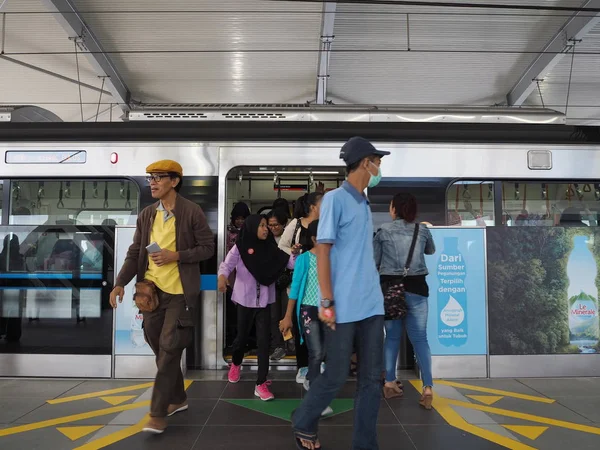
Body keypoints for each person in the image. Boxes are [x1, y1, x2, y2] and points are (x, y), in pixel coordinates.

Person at [292, 136, 390, 450]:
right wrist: (326, 300)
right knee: (335, 375)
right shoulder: (335, 198)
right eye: (378, 161)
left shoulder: (364, 201)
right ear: (366, 162)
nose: (379, 167)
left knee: (371, 379)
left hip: (371, 304)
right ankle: (304, 420)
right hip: (344, 305)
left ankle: (366, 443)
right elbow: (322, 251)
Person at [109, 160, 215, 434]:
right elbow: (135, 252)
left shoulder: (191, 212)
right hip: (151, 295)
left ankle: (157, 413)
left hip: (180, 294)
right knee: (159, 349)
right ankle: (178, 399)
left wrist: (175, 256)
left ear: (174, 181)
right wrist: (120, 282)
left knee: (169, 349)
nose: (152, 183)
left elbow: (207, 248)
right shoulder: (147, 215)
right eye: (150, 178)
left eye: (158, 178)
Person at [218, 214, 298, 401]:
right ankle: (236, 363)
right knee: (241, 338)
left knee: (264, 343)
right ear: (252, 227)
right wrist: (222, 277)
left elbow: (290, 262)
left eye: (266, 226)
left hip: (264, 301)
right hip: (244, 300)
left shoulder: (272, 248)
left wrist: (295, 252)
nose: (265, 229)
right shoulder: (241, 247)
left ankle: (261, 383)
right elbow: (226, 265)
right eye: (261, 226)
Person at [374, 193, 436, 408]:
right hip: (417, 289)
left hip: (392, 289)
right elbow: (431, 250)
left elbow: (375, 261)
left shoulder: (383, 231)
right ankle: (427, 387)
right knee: (420, 339)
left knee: (391, 337)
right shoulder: (422, 230)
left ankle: (390, 384)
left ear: (394, 209)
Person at [280, 220, 333, 416]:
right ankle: (317, 400)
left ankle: (312, 380)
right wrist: (287, 317)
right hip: (308, 310)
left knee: (325, 353)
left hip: (328, 311)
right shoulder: (303, 260)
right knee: (317, 353)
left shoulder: (332, 257)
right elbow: (294, 290)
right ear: (313, 238)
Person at [278, 192, 323, 384]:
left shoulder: (330, 253)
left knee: (321, 345)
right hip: (303, 294)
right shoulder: (296, 224)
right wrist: (296, 253)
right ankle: (305, 369)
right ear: (313, 206)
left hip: (324, 304)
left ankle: (315, 370)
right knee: (305, 336)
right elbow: (282, 246)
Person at [268, 208, 292, 360]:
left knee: (286, 313)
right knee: (273, 314)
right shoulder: (266, 239)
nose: (273, 228)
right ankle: (278, 346)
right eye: (270, 225)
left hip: (287, 281)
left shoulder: (289, 238)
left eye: (276, 224)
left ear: (284, 224)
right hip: (270, 281)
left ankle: (289, 343)